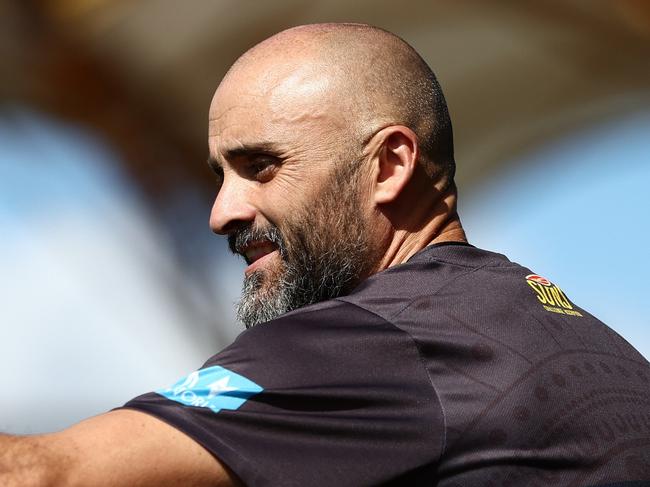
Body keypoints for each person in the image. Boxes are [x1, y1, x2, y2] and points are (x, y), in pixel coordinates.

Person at [1, 22, 649, 487]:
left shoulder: (379, 341)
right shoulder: (583, 337)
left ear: (390, 164)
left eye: (261, 166)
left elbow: (37, 474)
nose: (221, 210)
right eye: (221, 173)